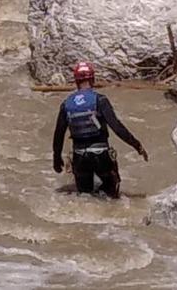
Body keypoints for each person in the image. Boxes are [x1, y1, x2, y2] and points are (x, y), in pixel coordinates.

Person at [51, 62, 148, 199]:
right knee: (112, 195)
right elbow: (117, 127)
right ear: (93, 80)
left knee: (85, 197)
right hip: (101, 155)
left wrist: (56, 159)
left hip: (79, 157)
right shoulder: (100, 100)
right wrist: (137, 146)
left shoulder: (66, 104)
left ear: (76, 81)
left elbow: (58, 134)